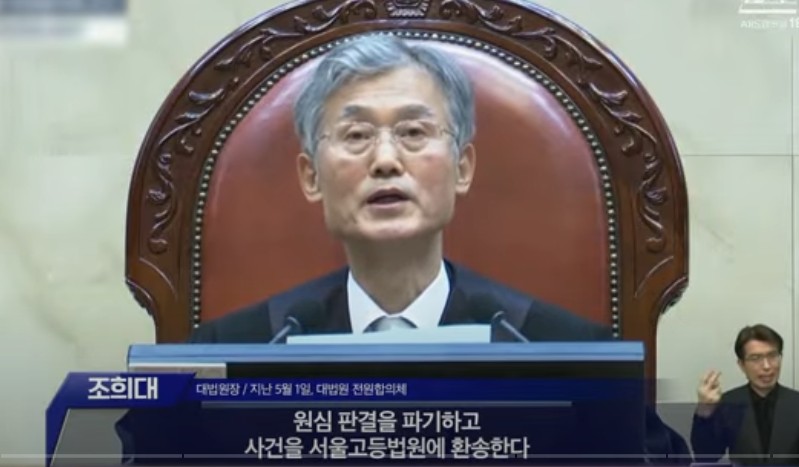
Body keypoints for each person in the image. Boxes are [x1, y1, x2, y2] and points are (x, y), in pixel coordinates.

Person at [187, 34, 609, 344]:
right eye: (356, 135)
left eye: (413, 132)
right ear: (311, 177)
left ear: (462, 169)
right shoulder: (239, 350)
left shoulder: (555, 349)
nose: (386, 160)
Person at [691, 324, 799, 465]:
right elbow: (706, 456)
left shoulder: (796, 403)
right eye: (755, 358)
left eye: (772, 356)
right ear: (741, 365)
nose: (767, 366)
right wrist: (705, 410)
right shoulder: (728, 403)